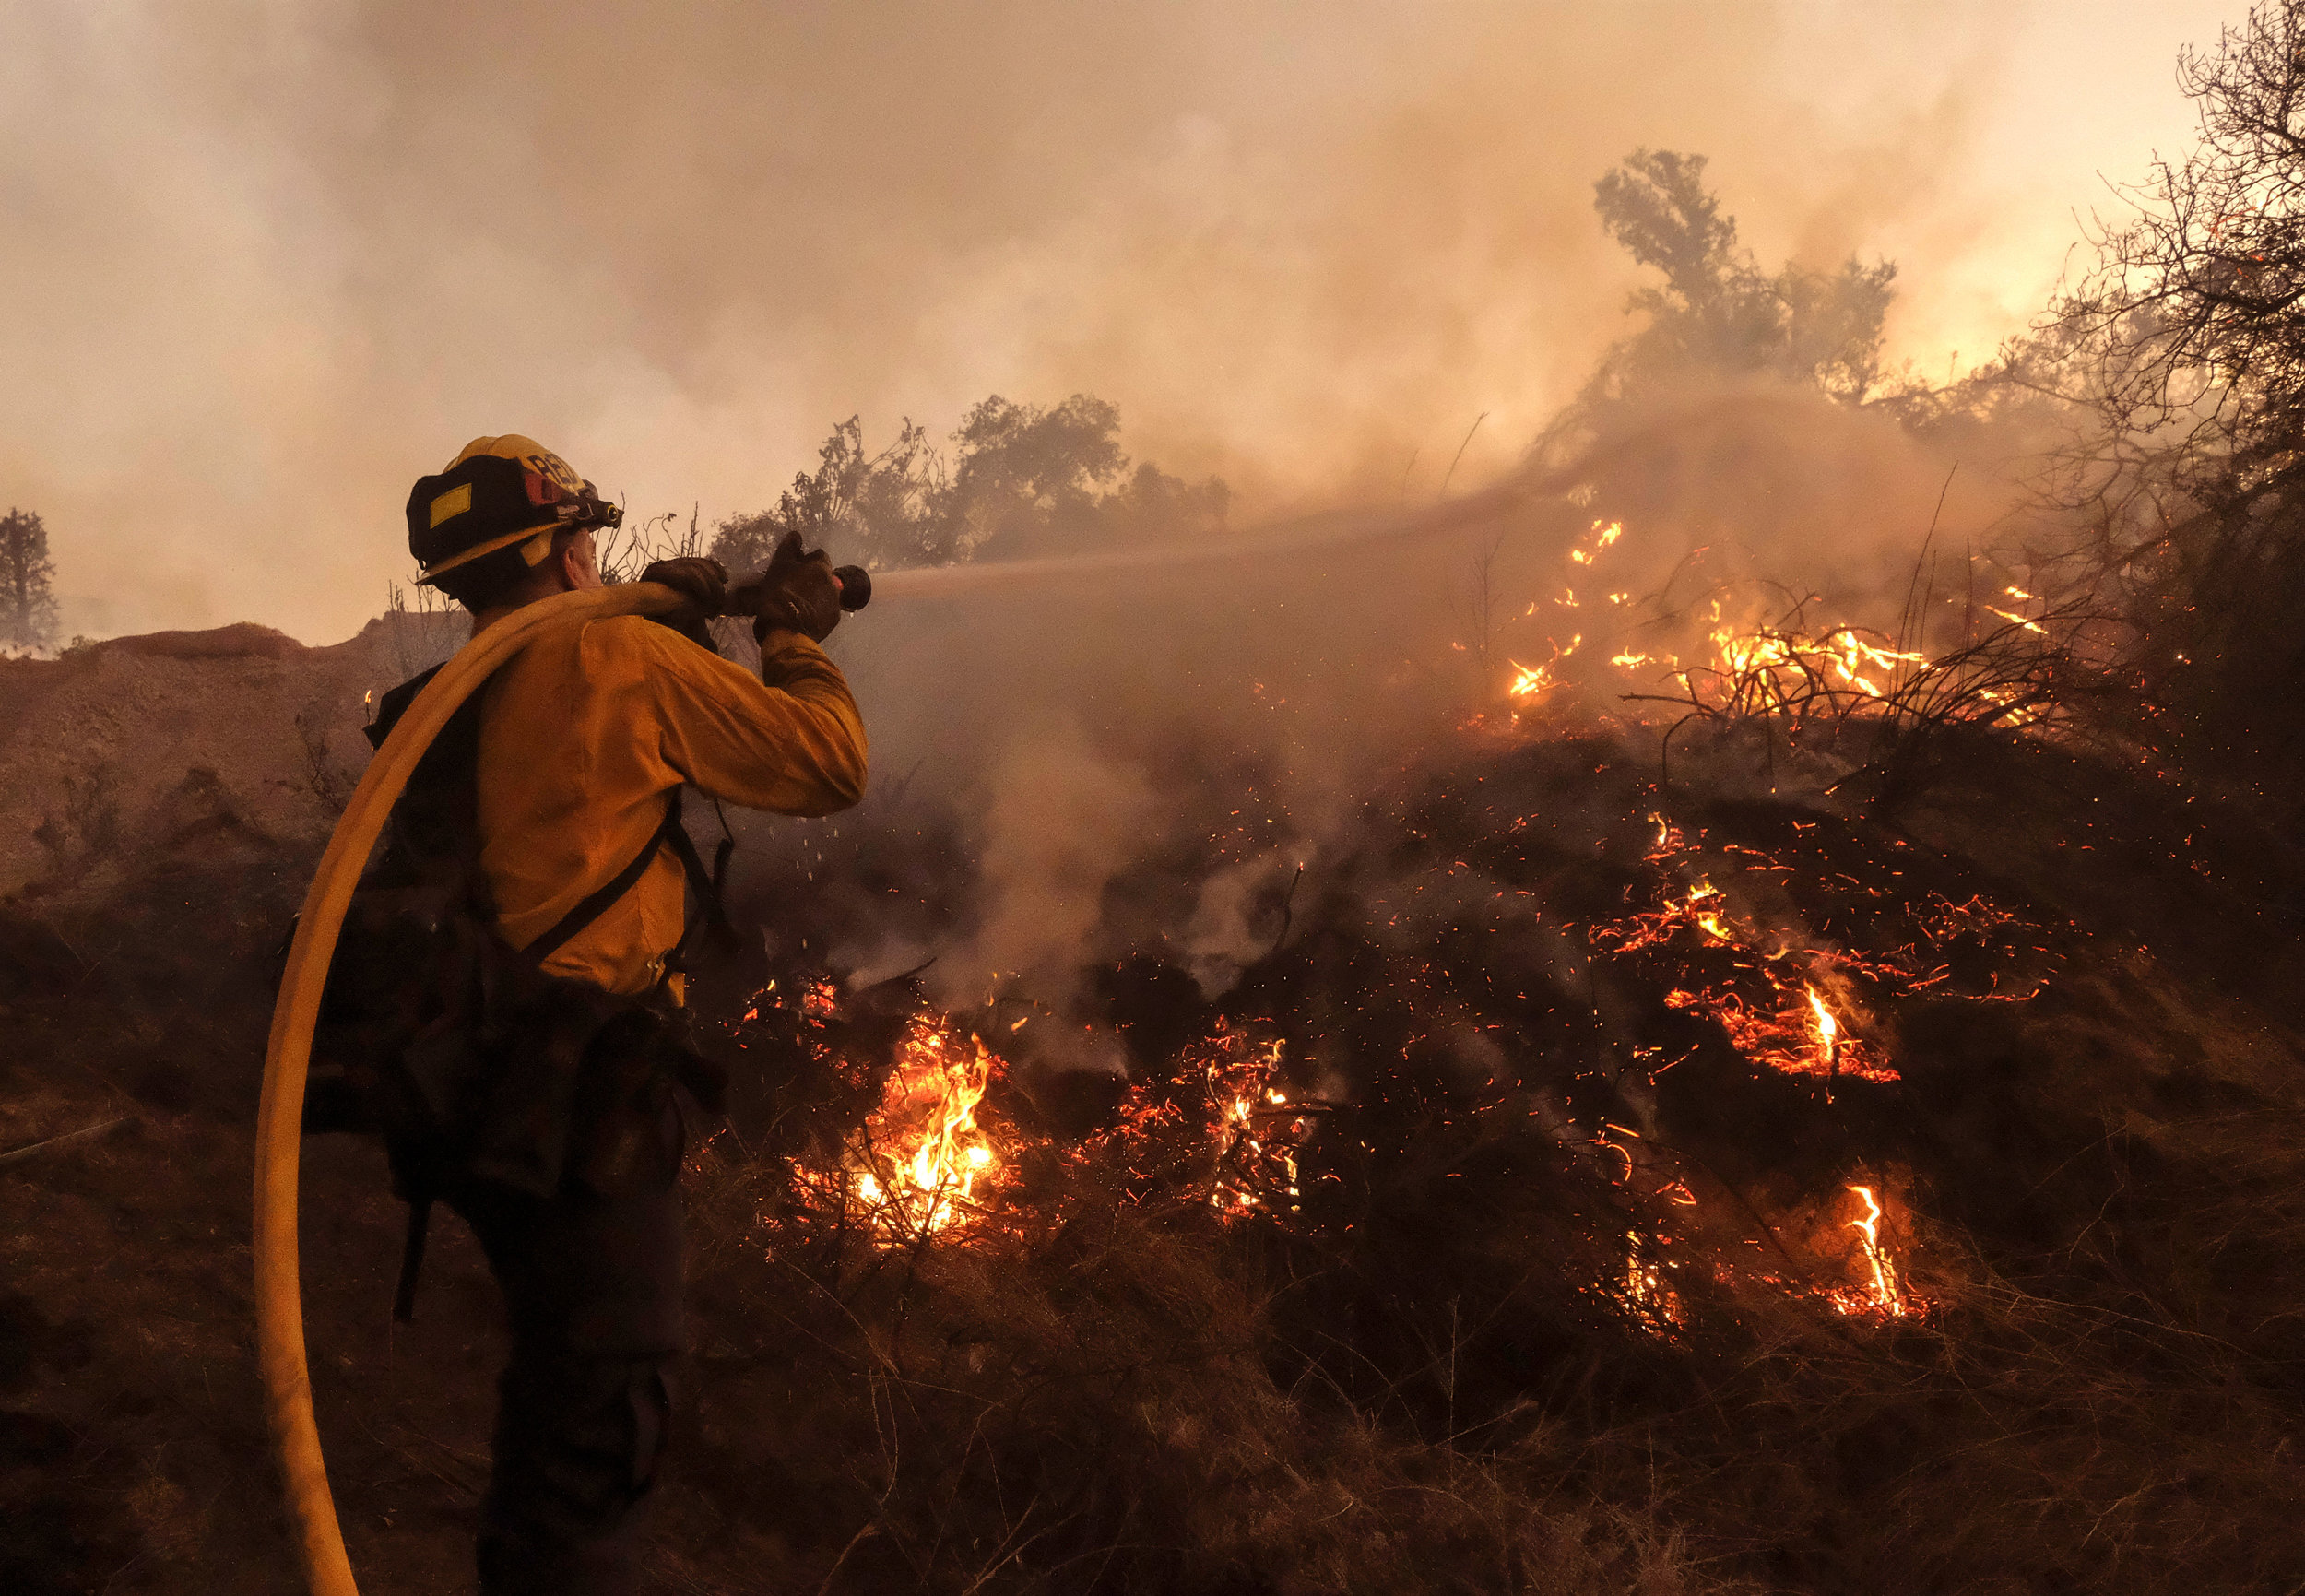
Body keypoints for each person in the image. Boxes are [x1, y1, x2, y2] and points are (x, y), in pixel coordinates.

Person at [395, 433, 866, 1594]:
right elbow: (827, 763)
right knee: (605, 1420)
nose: (599, 563)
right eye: (589, 542)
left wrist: (671, 628)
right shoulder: (610, 661)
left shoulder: (459, 691)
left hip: (469, 1088)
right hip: (572, 1097)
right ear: (561, 552)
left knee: (556, 1391)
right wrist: (794, 637)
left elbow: (573, 793)